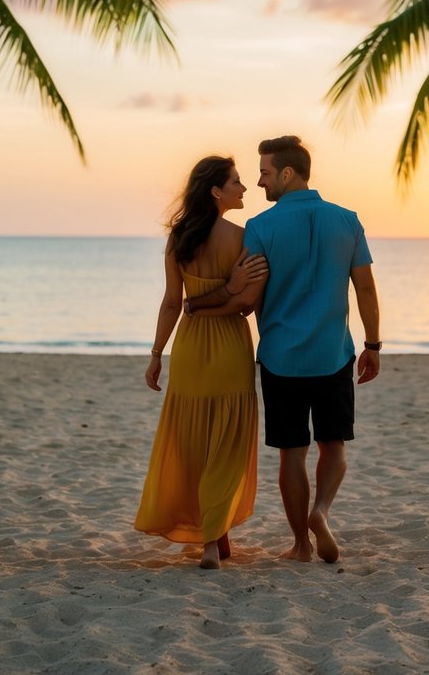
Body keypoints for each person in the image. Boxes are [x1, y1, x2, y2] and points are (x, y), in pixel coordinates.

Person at [188, 135, 381, 564]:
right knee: (335, 445)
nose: (259, 183)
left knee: (291, 454)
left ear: (288, 173)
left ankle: (300, 545)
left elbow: (248, 298)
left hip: (280, 358)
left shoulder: (260, 228)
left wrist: (210, 302)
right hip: (333, 353)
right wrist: (373, 344)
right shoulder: (347, 220)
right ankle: (322, 511)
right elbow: (365, 287)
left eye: (265, 172)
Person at [134, 155, 268, 569]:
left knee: (196, 445)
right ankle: (213, 540)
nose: (244, 188)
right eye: (236, 181)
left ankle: (216, 538)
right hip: (229, 346)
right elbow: (246, 305)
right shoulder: (245, 238)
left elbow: (173, 302)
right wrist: (230, 292)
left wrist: (156, 354)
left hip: (189, 348)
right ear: (216, 191)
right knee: (225, 446)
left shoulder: (179, 238)